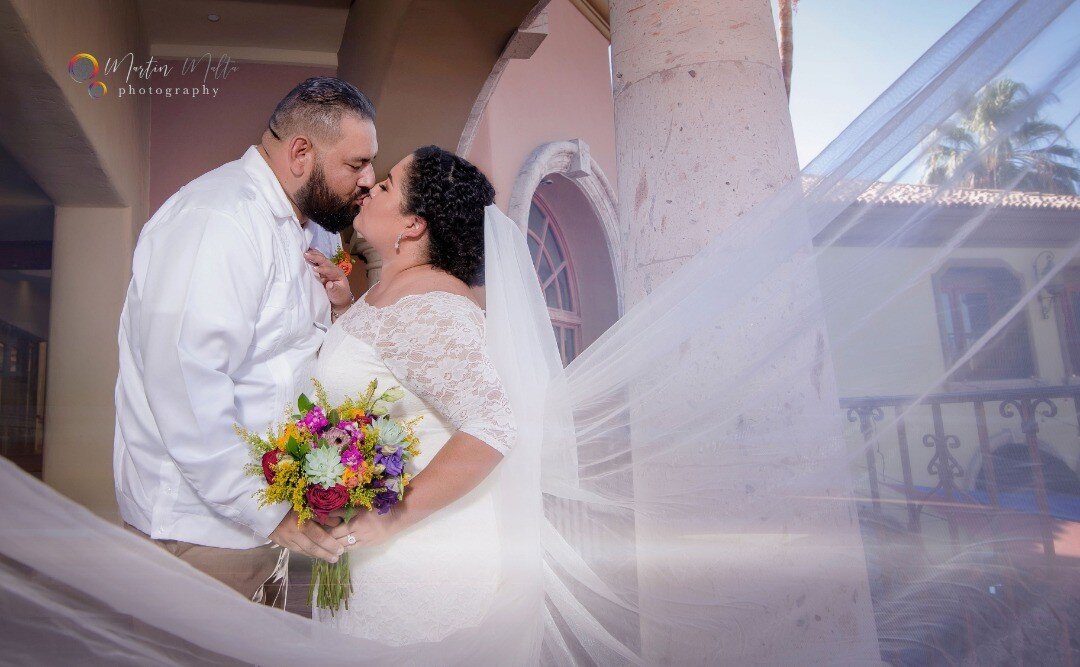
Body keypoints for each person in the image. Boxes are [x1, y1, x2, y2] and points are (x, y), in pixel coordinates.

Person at [112, 76, 377, 606]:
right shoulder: (219, 219)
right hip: (201, 533)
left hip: (269, 524)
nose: (369, 180)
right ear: (301, 152)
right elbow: (185, 384)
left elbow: (292, 360)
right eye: (357, 164)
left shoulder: (314, 231)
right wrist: (266, 506)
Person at [311, 145, 519, 643]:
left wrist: (391, 518)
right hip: (375, 558)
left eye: (385, 186)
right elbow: (387, 372)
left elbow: (494, 425)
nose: (368, 187)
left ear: (413, 225)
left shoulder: (433, 303)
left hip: (416, 561)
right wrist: (344, 308)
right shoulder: (395, 289)